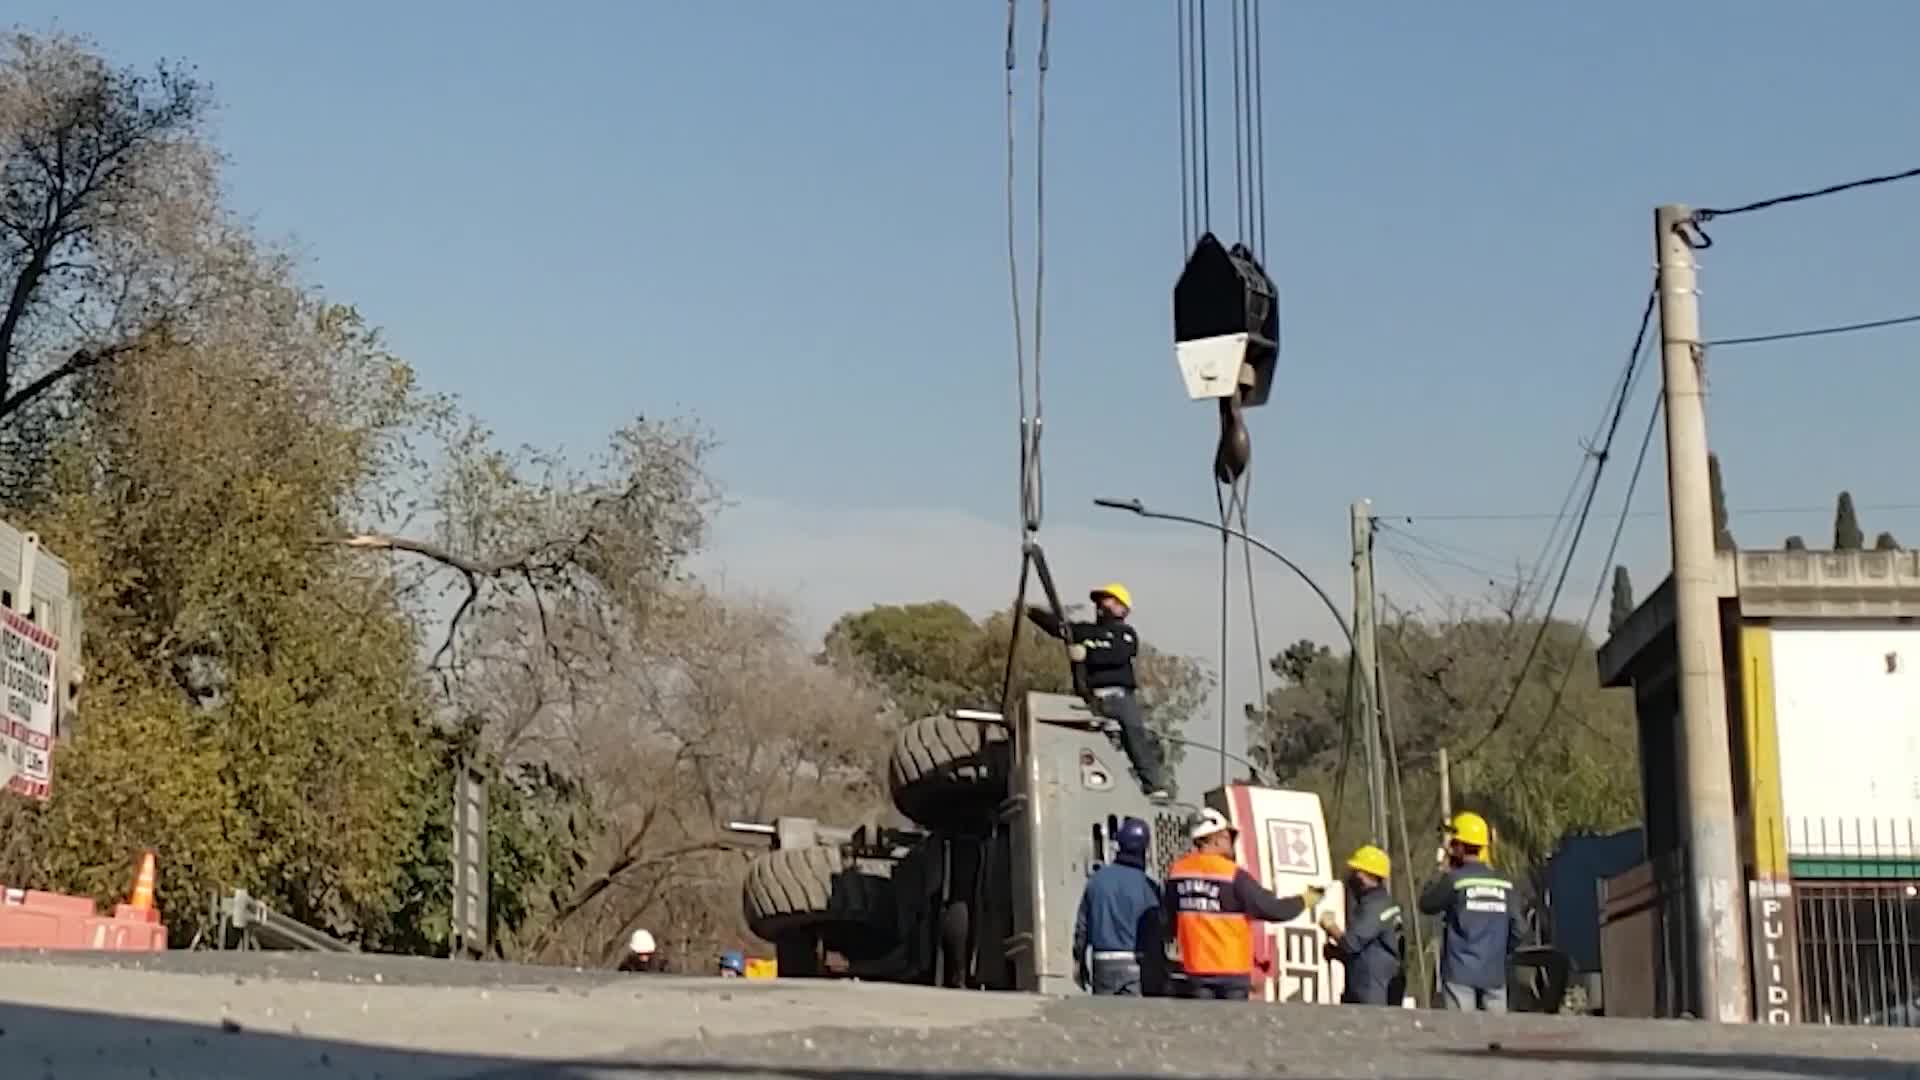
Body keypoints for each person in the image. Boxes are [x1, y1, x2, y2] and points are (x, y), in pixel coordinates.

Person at [1024, 582, 1168, 800]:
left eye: (1109, 600)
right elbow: (1061, 629)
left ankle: (1154, 786)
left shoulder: (1126, 634)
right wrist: (1032, 612)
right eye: (1101, 601)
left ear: (1122, 609)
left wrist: (1086, 654)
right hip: (1092, 700)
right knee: (1085, 745)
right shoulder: (1087, 631)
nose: (1102, 604)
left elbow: (1116, 655)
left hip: (1119, 698)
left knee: (1134, 736)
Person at [1164, 808, 1325, 1000]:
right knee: (1232, 1027)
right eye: (1230, 836)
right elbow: (1273, 909)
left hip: (1196, 970)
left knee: (1203, 1027)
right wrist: (1305, 900)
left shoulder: (1177, 872)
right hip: (1231, 972)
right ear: (1218, 838)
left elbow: (1168, 920)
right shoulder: (1232, 875)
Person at [1418, 811, 1524, 1013]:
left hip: (1460, 974)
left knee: (1462, 1036)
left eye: (1453, 843)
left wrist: (1440, 868)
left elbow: (1427, 904)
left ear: (1460, 846)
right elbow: (1519, 928)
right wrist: (1501, 953)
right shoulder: (1504, 883)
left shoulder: (1455, 881)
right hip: (1494, 974)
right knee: (1496, 1037)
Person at [1072, 816, 1163, 997]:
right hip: (1135, 963)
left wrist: (1079, 962)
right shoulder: (1149, 887)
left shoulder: (1097, 880)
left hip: (1102, 963)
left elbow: (1082, 928)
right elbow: (1156, 932)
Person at [1319, 845, 1404, 1006]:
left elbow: (1352, 944)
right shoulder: (1384, 903)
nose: (1352, 876)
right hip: (1375, 984)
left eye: (1356, 871)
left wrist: (1330, 926)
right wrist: (1337, 954)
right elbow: (1371, 950)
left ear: (1364, 875)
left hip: (1370, 991)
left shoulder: (1374, 907)